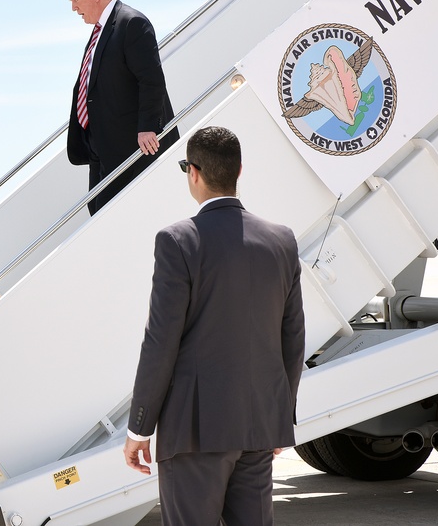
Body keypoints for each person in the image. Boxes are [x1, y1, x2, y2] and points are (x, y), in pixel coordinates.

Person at [122, 127, 306, 526]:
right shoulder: (282, 240)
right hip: (258, 424)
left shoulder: (178, 240)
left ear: (193, 173)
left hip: (194, 430)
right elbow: (292, 337)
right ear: (239, 170)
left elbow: (161, 340)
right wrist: (279, 416)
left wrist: (140, 427)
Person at [64, 0, 179, 214]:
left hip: (130, 148)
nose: (74, 8)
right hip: (102, 148)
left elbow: (151, 79)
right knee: (97, 215)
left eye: (76, 0)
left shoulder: (131, 23)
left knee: (119, 218)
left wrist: (148, 126)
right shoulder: (100, 32)